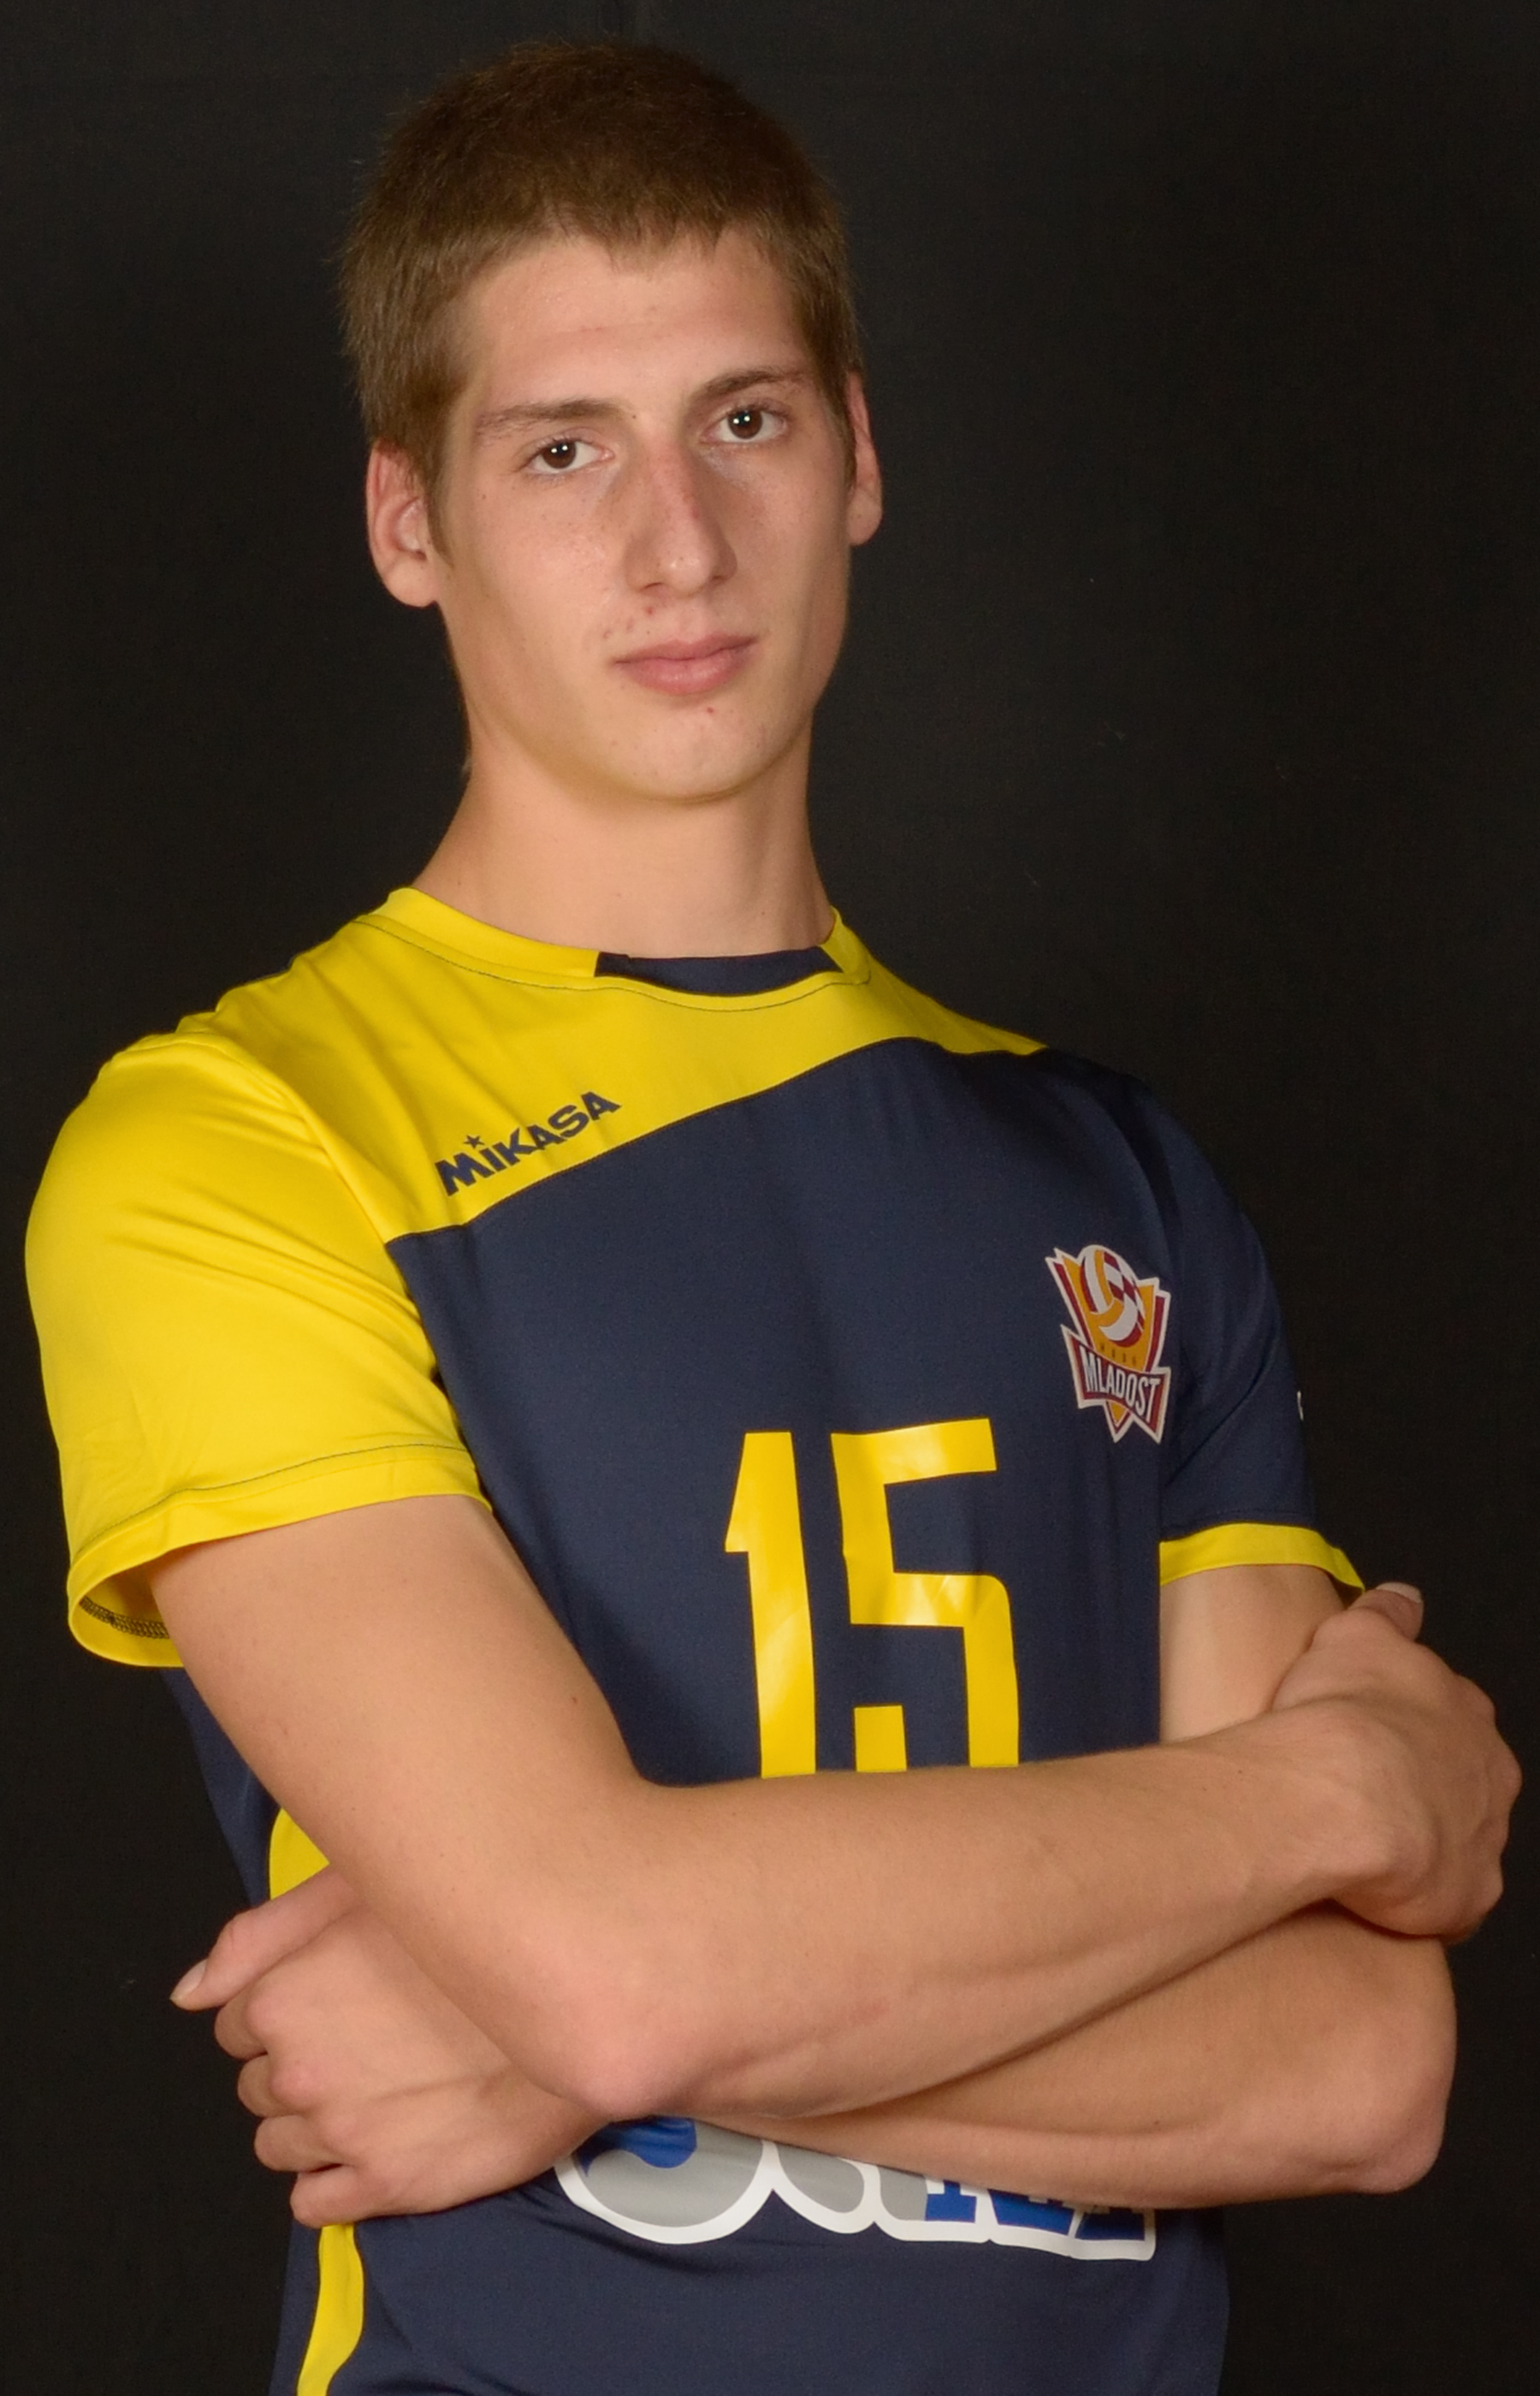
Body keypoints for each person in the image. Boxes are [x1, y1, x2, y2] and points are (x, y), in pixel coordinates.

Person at [26, 39, 1517, 2396]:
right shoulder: (236, 1145)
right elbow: (610, 1963)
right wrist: (1330, 1792)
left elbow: (1356, 2068)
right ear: (408, 521)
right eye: (562, 451)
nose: (680, 544)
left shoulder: (1120, 1186)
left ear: (860, 457)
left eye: (745, 420)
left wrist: (570, 2040)